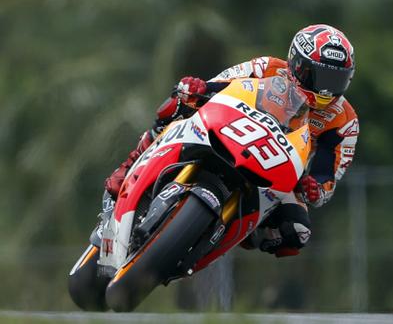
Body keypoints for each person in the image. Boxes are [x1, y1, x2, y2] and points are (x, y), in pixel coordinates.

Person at [103, 24, 359, 257]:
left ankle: (237, 230)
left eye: (335, 81)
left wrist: (315, 187)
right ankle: (130, 165)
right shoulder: (267, 67)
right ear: (297, 65)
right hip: (233, 130)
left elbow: (328, 174)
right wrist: (199, 88)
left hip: (282, 171)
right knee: (178, 103)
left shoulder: (345, 120)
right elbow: (221, 84)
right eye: (320, 78)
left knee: (296, 232)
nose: (325, 90)